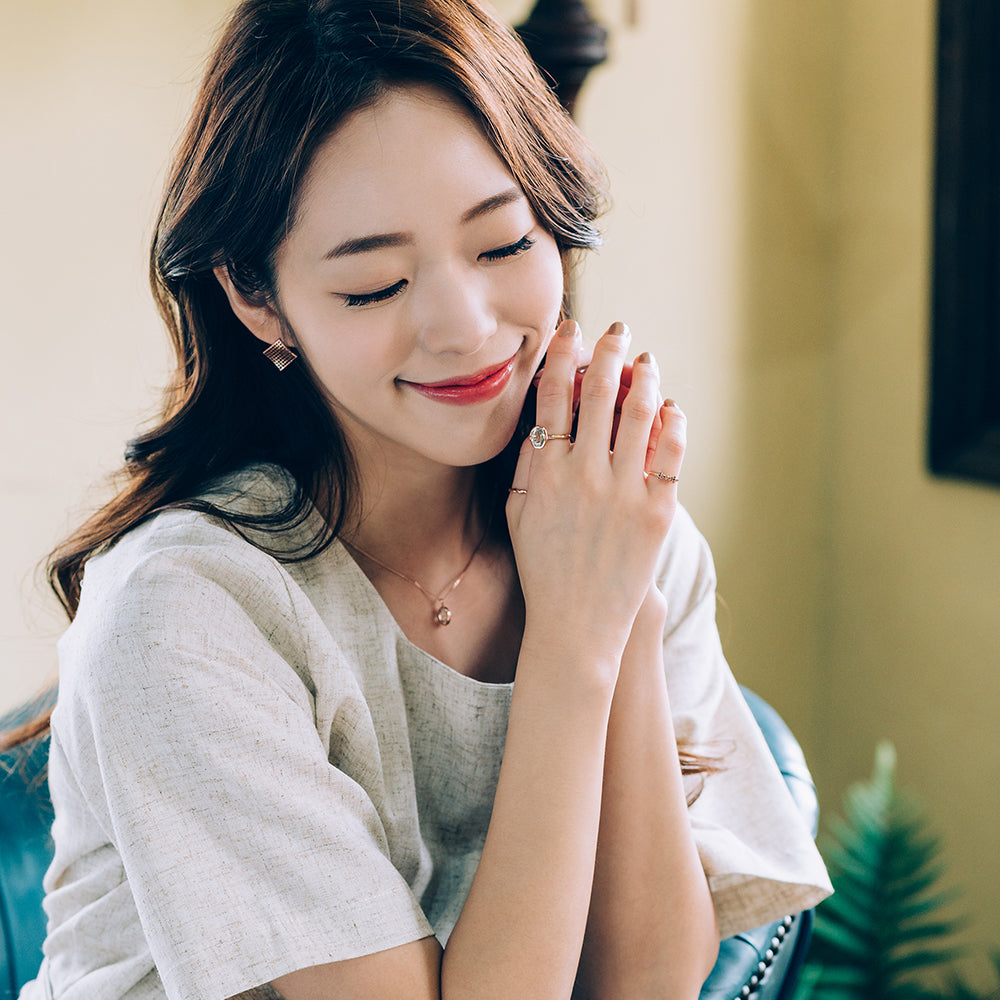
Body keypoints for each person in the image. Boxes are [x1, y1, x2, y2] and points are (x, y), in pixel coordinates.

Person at [14, 1, 831, 998]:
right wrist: (574, 638)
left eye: (500, 247)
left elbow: (650, 981)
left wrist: (611, 601)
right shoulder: (181, 612)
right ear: (255, 295)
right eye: (375, 284)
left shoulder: (610, 525)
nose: (463, 326)